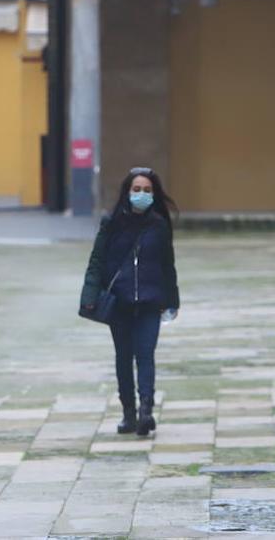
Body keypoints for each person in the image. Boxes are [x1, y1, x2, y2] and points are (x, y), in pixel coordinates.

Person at [79, 167, 180, 438]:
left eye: (147, 190)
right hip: (119, 303)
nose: (142, 194)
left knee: (145, 355)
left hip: (150, 302)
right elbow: (97, 261)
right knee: (124, 358)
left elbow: (167, 265)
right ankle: (129, 413)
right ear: (127, 192)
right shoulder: (111, 223)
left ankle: (146, 409)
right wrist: (89, 297)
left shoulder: (159, 225)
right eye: (137, 189)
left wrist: (172, 300)